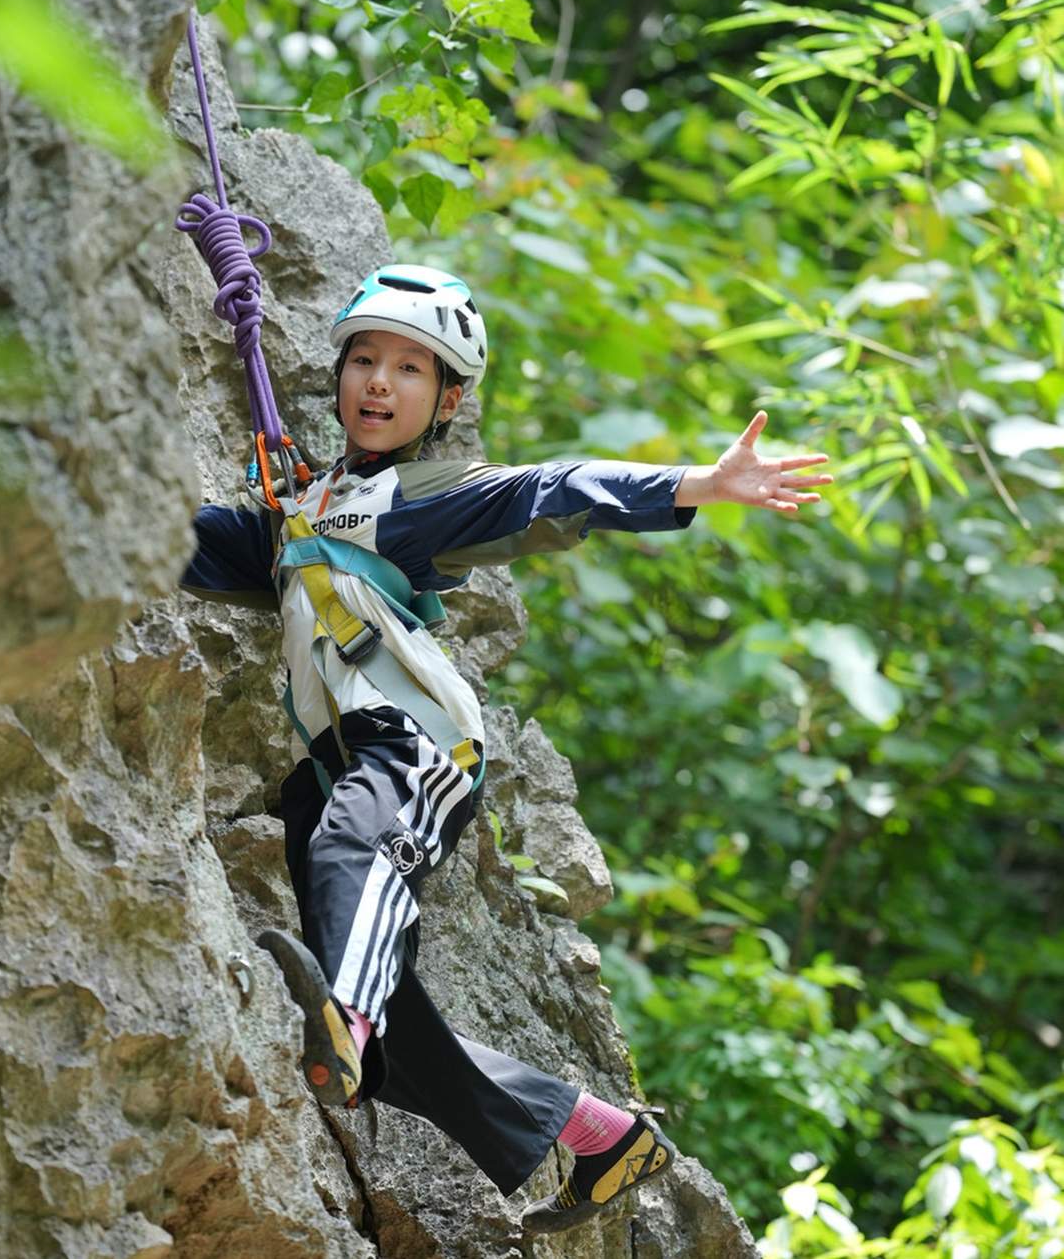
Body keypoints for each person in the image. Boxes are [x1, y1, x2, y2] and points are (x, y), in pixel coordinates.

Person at [181, 264, 833, 1235]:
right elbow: (178, 545)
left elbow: (545, 490)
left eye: (409, 369)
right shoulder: (300, 511)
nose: (376, 382)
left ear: (444, 401)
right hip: (336, 762)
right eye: (363, 359)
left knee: (347, 861)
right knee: (384, 1021)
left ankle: (344, 1016)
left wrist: (692, 485)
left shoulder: (421, 498)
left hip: (419, 746)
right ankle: (593, 1130)